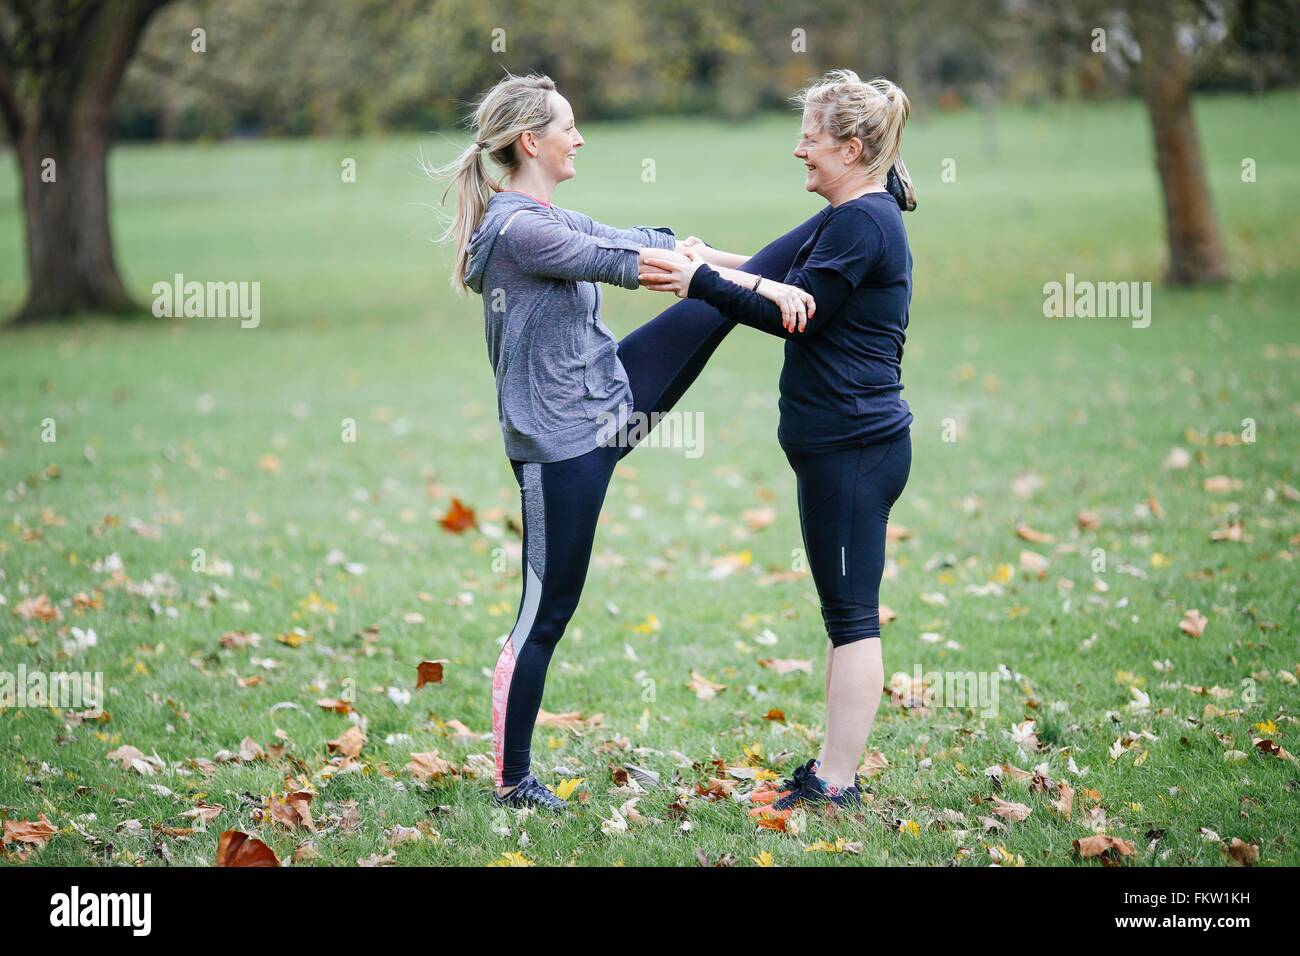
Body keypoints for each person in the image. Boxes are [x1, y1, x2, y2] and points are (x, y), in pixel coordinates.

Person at [435, 72, 820, 810]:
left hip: (609, 398)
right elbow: (647, 269)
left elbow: (661, 245)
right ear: (532, 142)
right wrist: (767, 291)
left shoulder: (545, 213)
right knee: (545, 612)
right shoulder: (521, 230)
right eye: (569, 127)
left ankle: (862, 208)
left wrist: (766, 278)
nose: (579, 138)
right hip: (561, 445)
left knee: (717, 306)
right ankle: (514, 782)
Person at [640, 70, 917, 814]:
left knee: (853, 617)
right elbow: (782, 279)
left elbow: (795, 312)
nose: (800, 151)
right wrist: (713, 261)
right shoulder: (853, 217)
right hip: (838, 443)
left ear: (852, 147)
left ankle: (837, 784)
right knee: (841, 611)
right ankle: (828, 770)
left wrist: (699, 280)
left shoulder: (862, 222)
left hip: (855, 445)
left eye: (812, 139)